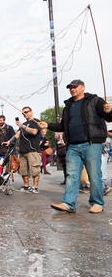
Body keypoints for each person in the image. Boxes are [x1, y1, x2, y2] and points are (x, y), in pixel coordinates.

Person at [39, 80, 112, 213]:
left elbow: (108, 117)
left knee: (94, 175)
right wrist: (48, 125)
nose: (72, 89)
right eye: (70, 88)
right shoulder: (68, 106)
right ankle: (68, 203)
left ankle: (97, 203)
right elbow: (63, 126)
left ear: (83, 88)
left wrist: (109, 111)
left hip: (91, 143)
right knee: (71, 175)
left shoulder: (95, 100)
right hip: (72, 145)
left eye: (75, 87)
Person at [6, 107, 42, 194]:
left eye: (26, 112)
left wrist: (22, 126)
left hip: (32, 150)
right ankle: (26, 186)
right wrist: (9, 141)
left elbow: (34, 132)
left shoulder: (36, 122)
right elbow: (17, 134)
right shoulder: (24, 124)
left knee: (34, 170)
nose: (25, 114)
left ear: (31, 111)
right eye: (23, 113)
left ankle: (35, 187)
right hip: (22, 150)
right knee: (23, 170)